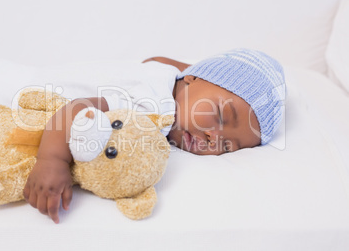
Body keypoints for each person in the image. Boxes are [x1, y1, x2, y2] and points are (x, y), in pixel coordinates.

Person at [23, 48, 285, 223]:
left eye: (228, 146)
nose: (212, 137)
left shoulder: (170, 76)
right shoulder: (155, 104)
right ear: (192, 78)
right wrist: (52, 160)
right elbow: (78, 108)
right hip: (22, 89)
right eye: (218, 115)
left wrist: (199, 72)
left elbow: (154, 59)